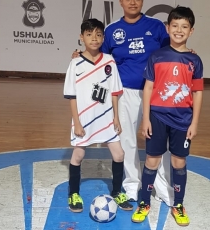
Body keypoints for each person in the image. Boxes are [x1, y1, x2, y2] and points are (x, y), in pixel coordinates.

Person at [73, 0, 174, 205]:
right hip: (123, 93)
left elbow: (171, 51)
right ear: (120, 2)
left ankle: (163, 187)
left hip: (154, 92)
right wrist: (79, 56)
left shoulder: (155, 26)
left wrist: (188, 52)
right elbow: (100, 56)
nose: (133, 2)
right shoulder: (111, 30)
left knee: (159, 141)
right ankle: (131, 185)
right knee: (127, 139)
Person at [131, 6, 203, 226]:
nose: (179, 30)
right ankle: (144, 203)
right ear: (167, 28)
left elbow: (197, 92)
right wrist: (146, 118)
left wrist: (195, 122)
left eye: (184, 27)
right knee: (151, 160)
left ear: (191, 31)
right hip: (157, 118)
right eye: (175, 26)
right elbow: (148, 88)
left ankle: (178, 204)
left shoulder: (195, 60)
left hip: (183, 120)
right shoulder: (156, 56)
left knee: (178, 162)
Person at [63, 18, 133, 213]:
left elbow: (114, 92)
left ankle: (118, 191)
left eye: (98, 34)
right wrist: (76, 123)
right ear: (81, 37)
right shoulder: (75, 63)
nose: (94, 38)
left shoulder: (109, 61)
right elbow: (72, 96)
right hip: (84, 120)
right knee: (78, 155)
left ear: (103, 37)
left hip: (106, 118)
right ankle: (73, 193)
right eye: (89, 34)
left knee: (119, 154)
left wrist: (116, 117)